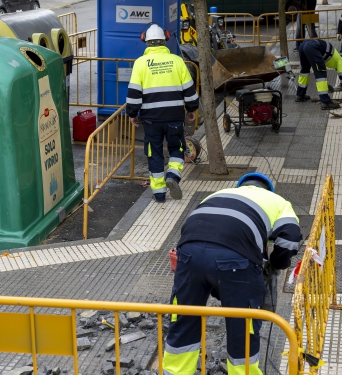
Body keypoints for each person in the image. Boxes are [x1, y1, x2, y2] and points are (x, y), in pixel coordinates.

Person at [162, 172, 303, 375]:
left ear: (240, 186)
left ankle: (175, 372)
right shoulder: (279, 201)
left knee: (184, 315)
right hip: (235, 258)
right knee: (243, 324)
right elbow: (290, 239)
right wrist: (276, 263)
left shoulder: (217, 194)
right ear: (268, 189)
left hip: (188, 253)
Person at [126, 24, 199, 203]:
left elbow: (134, 93)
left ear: (146, 41)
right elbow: (189, 90)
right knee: (177, 148)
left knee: (154, 153)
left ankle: (159, 193)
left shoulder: (140, 64)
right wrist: (191, 110)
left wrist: (132, 114)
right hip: (174, 117)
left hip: (151, 120)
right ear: (165, 40)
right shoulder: (177, 61)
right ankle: (173, 176)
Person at [295, 39, 342, 110]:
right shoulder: (340, 60)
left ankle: (300, 94)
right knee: (321, 72)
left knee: (305, 70)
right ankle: (325, 102)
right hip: (312, 47)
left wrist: (325, 85)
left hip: (303, 45)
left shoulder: (335, 54)